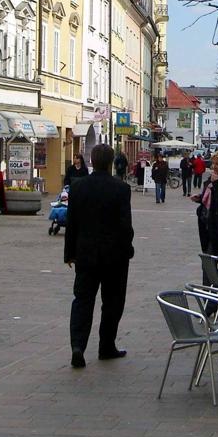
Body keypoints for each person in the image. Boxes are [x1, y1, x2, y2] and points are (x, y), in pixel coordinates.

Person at [64, 143, 134, 368]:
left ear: (92, 161)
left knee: (82, 300)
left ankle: (78, 345)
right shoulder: (121, 188)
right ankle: (106, 345)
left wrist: (69, 253)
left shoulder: (78, 187)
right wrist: (128, 249)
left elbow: (72, 223)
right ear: (112, 162)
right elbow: (125, 225)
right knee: (112, 302)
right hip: (114, 256)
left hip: (85, 254)